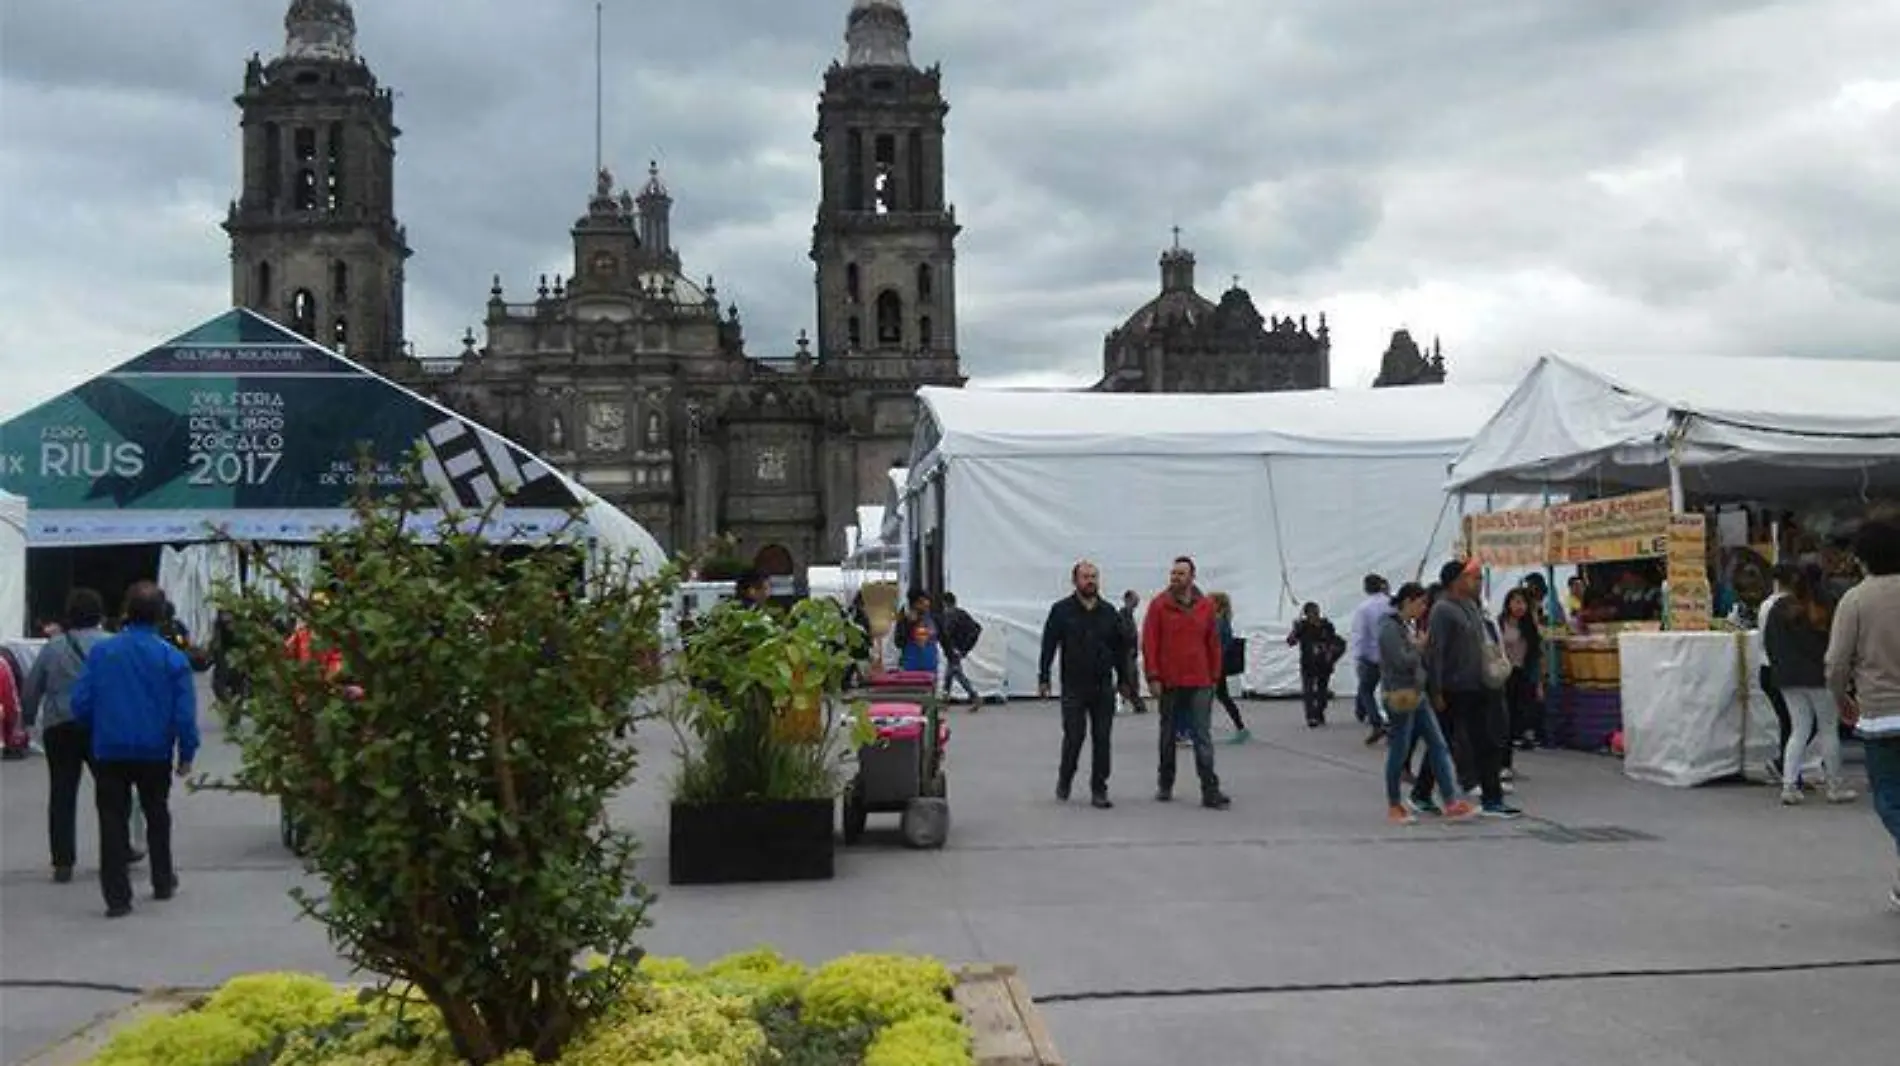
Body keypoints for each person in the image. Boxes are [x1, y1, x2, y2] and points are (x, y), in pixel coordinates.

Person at [71, 581, 200, 918]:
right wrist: (186, 751)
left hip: (110, 749)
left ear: (126, 612)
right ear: (160, 615)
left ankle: (117, 897)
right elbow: (184, 714)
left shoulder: (102, 653)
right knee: (157, 813)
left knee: (112, 818)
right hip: (154, 750)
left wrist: (97, 724)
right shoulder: (172, 657)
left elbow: (80, 702)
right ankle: (161, 880)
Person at [1825, 520, 1900, 909]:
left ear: (1861, 558)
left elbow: (1837, 663)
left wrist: (1841, 700)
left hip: (1882, 715)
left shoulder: (1855, 600)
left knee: (1890, 797)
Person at [22, 589, 113, 883]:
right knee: (111, 792)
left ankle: (63, 861)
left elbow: (32, 686)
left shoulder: (54, 647)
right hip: (101, 726)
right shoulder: (111, 645)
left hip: (59, 726)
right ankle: (116, 852)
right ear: (99, 614)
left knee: (62, 793)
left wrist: (26, 718)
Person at [1423, 559, 1521, 819]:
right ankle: (1421, 792)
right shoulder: (1442, 610)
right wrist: (1436, 690)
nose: (1479, 583)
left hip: (1476, 686)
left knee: (1484, 742)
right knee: (1442, 742)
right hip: (1452, 689)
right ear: (1457, 581)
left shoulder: (1471, 606)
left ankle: (1492, 799)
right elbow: (1436, 653)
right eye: (1473, 578)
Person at [1380, 583, 1478, 824]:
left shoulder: (1407, 626)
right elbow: (1400, 661)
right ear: (1408, 601)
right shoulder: (1389, 627)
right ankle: (1394, 804)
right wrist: (1419, 649)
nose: (1424, 609)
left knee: (1438, 745)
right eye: (1421, 603)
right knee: (1400, 749)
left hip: (1419, 693)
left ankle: (1451, 800)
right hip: (1400, 694)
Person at [1039, 561, 1133, 808]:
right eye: (1085, 577)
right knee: (1074, 736)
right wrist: (1043, 677)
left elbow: (1120, 649)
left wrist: (1124, 680)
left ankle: (1099, 789)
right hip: (1073, 686)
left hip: (1103, 685)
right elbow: (1049, 645)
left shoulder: (1109, 612)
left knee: (1102, 739)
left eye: (1094, 577)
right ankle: (1065, 778)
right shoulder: (1061, 611)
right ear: (1075, 581)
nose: (1090, 581)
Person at [1142, 557, 1231, 810]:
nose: (1175, 577)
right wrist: (1153, 676)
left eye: (1181, 573)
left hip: (1200, 680)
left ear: (1192, 576)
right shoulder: (1159, 606)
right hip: (1170, 681)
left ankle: (1209, 788)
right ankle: (1165, 781)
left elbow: (1212, 643)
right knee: (1168, 735)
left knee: (1202, 734)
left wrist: (1214, 676)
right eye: (1173, 573)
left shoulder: (1205, 607)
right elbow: (1150, 642)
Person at [1765, 568, 1856, 806]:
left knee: (1799, 730)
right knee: (1828, 731)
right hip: (1820, 677)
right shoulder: (1826, 606)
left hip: (1788, 678)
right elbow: (1837, 645)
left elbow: (1770, 644)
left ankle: (1789, 786)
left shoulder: (1779, 608)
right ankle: (1835, 786)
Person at [1757, 565, 1799, 782]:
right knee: (1794, 723)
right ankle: (1785, 765)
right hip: (1780, 668)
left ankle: (1787, 766)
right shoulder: (1787, 605)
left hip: (1767, 667)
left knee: (1789, 721)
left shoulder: (1766, 604)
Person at [1499, 588, 1546, 752]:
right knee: (1506, 710)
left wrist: (1540, 682)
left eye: (1523, 603)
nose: (1520, 606)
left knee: (1523, 708)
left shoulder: (1529, 627)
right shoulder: (1499, 624)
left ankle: (1520, 737)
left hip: (1523, 672)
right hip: (1504, 673)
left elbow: (1537, 655)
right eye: (1516, 602)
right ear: (1508, 603)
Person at [1349, 575, 1393, 745]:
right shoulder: (1391, 604)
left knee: (1366, 690)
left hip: (1371, 657)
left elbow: (1360, 634)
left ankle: (1377, 722)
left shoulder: (1364, 608)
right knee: (1388, 691)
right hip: (1391, 655)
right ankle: (1392, 723)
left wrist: (1359, 656)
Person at [1287, 602, 1341, 727]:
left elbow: (1334, 641)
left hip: (1324, 663)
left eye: (1317, 612)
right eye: (1312, 613)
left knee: (1322, 692)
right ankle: (1311, 717)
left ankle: (1319, 712)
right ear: (1306, 614)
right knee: (1309, 691)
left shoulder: (1327, 625)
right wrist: (1294, 630)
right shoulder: (1302, 627)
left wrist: (1330, 651)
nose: (1315, 615)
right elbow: (1291, 642)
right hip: (1308, 663)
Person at [1209, 592, 1249, 743]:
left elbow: (1216, 644)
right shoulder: (1222, 620)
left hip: (1216, 666)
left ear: (1217, 604)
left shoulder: (1219, 622)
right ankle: (1241, 728)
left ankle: (1199, 731)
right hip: (1219, 665)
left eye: (1210, 601)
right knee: (1223, 697)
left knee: (1206, 698)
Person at [939, 592, 983, 709]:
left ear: (944, 603)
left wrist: (960, 649)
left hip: (953, 650)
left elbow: (947, 634)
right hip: (956, 650)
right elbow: (977, 628)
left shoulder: (950, 615)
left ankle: (974, 697)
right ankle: (944, 700)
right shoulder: (961, 613)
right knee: (950, 675)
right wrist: (965, 648)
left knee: (957, 674)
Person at [893, 589, 941, 676]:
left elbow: (943, 637)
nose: (926, 604)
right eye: (921, 602)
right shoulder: (904, 618)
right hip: (911, 668)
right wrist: (909, 624)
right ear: (914, 604)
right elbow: (898, 642)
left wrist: (952, 655)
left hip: (931, 667)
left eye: (927, 601)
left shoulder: (933, 617)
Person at [1118, 591, 1148, 715]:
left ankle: (1136, 702)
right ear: (1127, 600)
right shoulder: (1123, 615)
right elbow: (1124, 634)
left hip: (1130, 652)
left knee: (1129, 678)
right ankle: (1137, 703)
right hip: (1126, 652)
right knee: (1129, 678)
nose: (1137, 602)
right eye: (1135, 600)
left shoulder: (1128, 615)